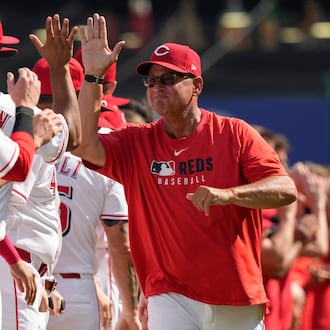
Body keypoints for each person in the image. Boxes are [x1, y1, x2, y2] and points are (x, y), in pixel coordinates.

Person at [73, 13, 297, 330]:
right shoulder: (138, 141)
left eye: (169, 79)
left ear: (197, 86)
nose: (157, 87)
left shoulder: (233, 133)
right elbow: (83, 145)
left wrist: (230, 194)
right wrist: (94, 76)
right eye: (151, 80)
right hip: (170, 293)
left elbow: (285, 190)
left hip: (233, 294)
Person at [32, 52, 140, 330]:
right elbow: (121, 243)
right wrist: (130, 310)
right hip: (81, 286)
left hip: (22, 282)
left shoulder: (14, 145)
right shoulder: (107, 149)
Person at [0, 14, 80, 329]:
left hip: (23, 264)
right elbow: (73, 137)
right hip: (15, 265)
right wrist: (60, 69)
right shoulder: (16, 113)